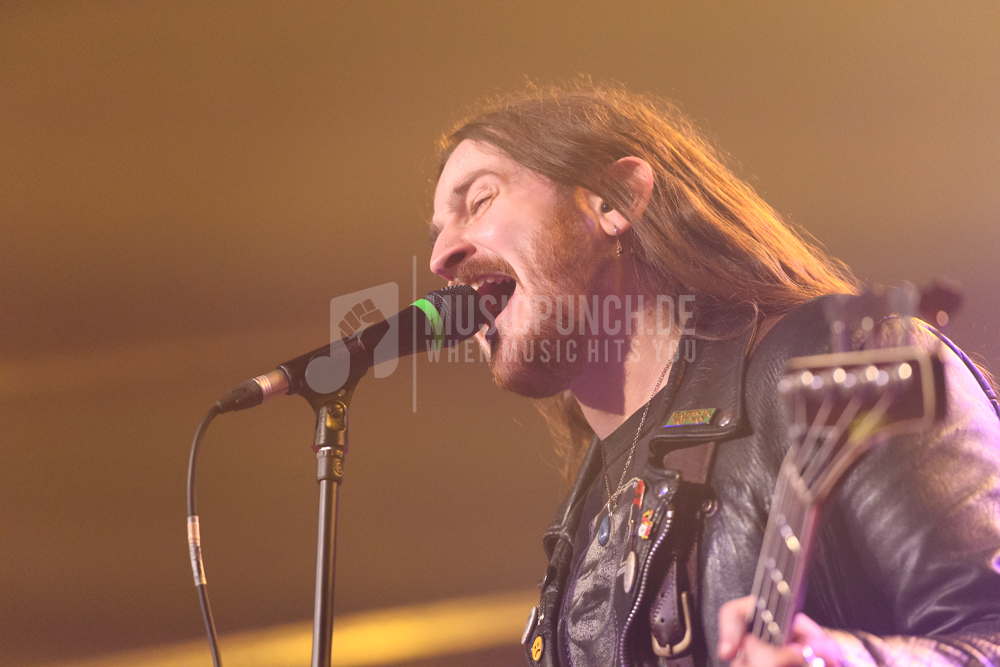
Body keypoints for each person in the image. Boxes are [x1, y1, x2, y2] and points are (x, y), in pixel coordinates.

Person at [427, 83, 1000, 667]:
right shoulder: (582, 518)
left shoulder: (836, 362)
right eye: (436, 234)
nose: (439, 257)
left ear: (615, 200)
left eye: (480, 201)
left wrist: (840, 660)